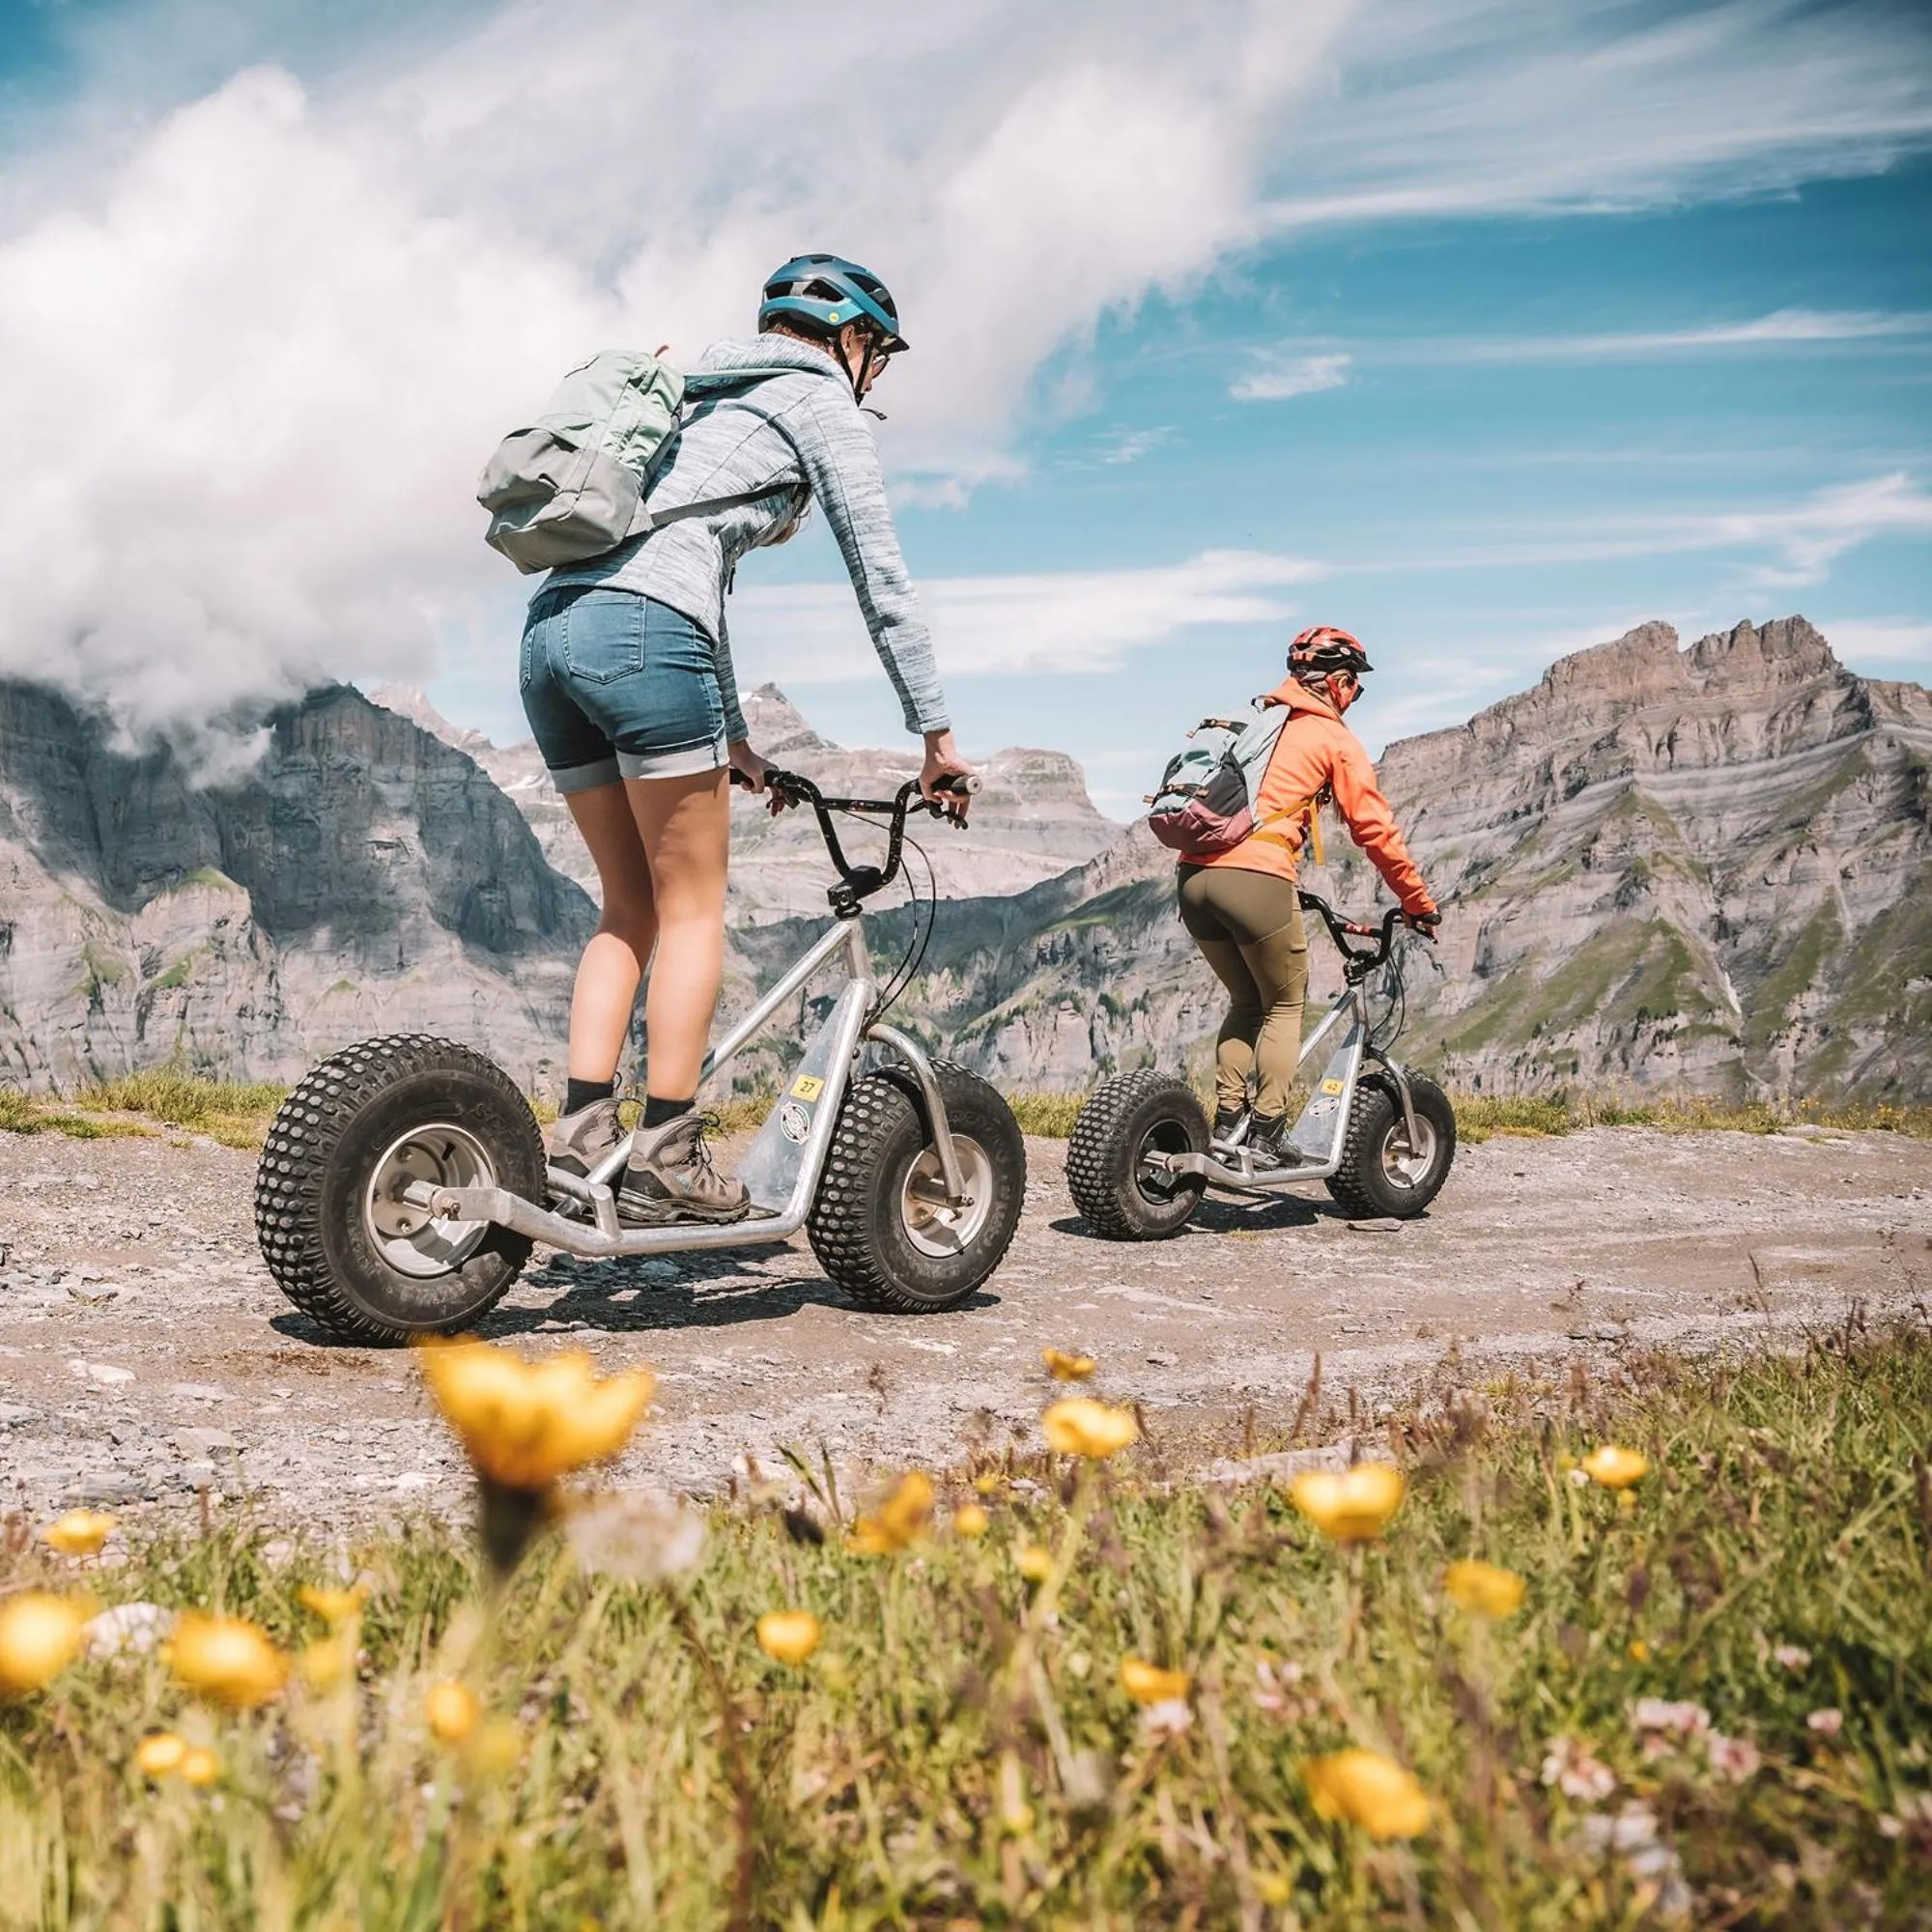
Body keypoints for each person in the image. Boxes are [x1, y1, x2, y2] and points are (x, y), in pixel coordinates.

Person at [520, 253, 972, 1224]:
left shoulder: (697, 397)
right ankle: (669, 1153)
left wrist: (733, 737)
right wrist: (933, 733)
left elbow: (698, 573)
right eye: (875, 351)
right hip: (643, 637)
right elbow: (879, 578)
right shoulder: (820, 407)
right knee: (692, 909)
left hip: (551, 632)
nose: (872, 370)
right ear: (851, 340)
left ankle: (583, 1132)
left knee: (626, 903)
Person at [1177, 626, 1439, 1165]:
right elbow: (1375, 830)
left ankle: (1227, 1122)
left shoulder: (1256, 722)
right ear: (1339, 683)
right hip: (1256, 879)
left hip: (1192, 878)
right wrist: (1417, 902)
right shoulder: (1331, 737)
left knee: (1246, 1002)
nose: (1354, 700)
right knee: (1284, 1003)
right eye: (1356, 690)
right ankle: (1268, 1132)